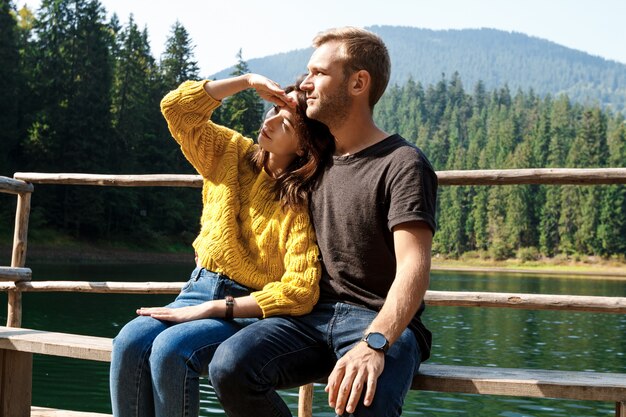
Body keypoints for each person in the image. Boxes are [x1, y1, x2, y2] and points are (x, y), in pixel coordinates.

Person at [209, 27, 438, 417]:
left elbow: (414, 268)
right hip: (310, 318)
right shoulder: (313, 164)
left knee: (364, 399)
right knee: (230, 365)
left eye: (318, 73)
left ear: (358, 83)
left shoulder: (403, 164)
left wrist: (375, 343)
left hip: (379, 321)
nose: (306, 83)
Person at [109, 74, 334, 417]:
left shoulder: (297, 201)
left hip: (242, 309)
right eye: (272, 109)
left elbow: (301, 289)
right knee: (128, 341)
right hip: (196, 289)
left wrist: (217, 308)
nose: (269, 122)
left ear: (303, 146)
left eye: (285, 123)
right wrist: (245, 82)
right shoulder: (230, 152)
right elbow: (177, 109)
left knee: (172, 349)